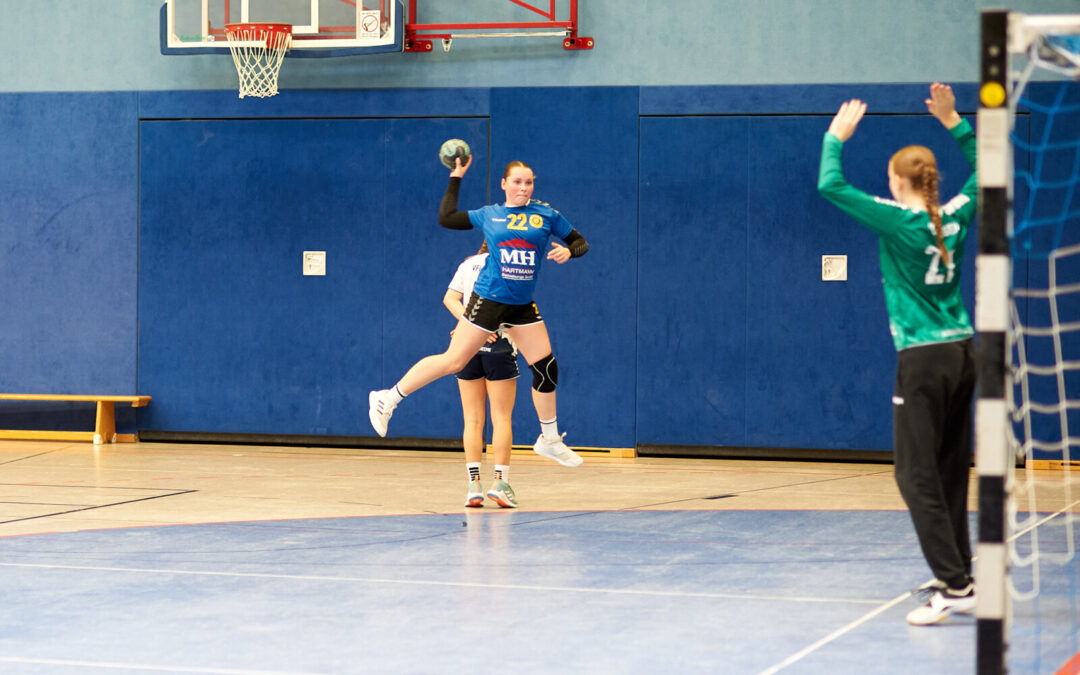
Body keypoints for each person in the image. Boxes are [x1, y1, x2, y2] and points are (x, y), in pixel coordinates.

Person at [818, 83, 978, 626]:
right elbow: (987, 175)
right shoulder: (955, 215)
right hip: (963, 353)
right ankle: (960, 571)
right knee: (950, 468)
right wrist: (954, 121)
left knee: (913, 475)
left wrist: (836, 137)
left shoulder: (898, 220)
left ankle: (955, 586)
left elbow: (830, 184)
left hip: (924, 359)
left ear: (895, 181)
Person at [368, 155, 590, 469]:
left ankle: (549, 440)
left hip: (521, 305)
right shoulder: (490, 214)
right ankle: (387, 398)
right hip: (489, 299)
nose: (523, 188)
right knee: (454, 360)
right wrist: (456, 177)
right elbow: (447, 218)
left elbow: (580, 242)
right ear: (504, 184)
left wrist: (569, 251)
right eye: (517, 182)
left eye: (528, 182)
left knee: (546, 368)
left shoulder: (546, 214)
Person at [445, 241, 520, 507]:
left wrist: (470, 325)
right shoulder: (510, 266)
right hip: (499, 344)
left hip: (466, 344)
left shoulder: (468, 264)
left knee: (472, 419)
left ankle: (473, 486)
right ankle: (500, 483)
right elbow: (513, 309)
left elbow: (450, 298)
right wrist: (487, 327)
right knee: (501, 418)